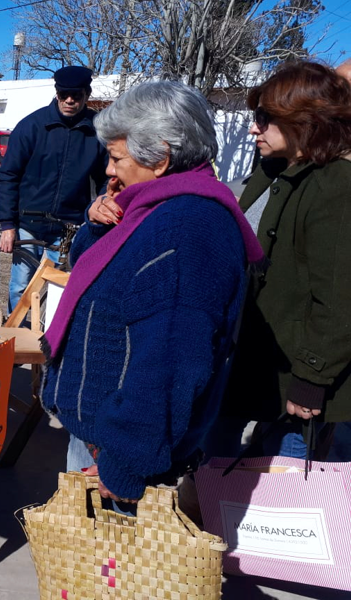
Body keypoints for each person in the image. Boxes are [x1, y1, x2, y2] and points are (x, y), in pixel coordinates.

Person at [41, 81, 265, 508]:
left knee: (110, 569)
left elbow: (170, 360)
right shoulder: (152, 206)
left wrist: (126, 463)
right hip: (101, 438)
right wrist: (99, 224)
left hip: (119, 456)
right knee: (86, 569)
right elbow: (94, 269)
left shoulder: (187, 229)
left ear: (160, 157)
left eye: (116, 157)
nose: (108, 169)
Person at [219, 61, 351, 459]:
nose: (252, 128)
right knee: (210, 477)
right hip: (246, 360)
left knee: (279, 503)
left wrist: (312, 377)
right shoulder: (272, 169)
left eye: (264, 118)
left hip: (294, 382)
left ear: (304, 121)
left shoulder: (335, 187)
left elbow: (340, 298)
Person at [0, 65, 109, 311]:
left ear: (86, 95)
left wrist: (98, 211)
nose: (70, 101)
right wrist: (7, 225)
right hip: (28, 225)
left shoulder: (97, 131)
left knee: (61, 289)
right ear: (56, 93)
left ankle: (50, 342)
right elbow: (8, 175)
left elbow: (107, 179)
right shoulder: (32, 126)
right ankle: (17, 338)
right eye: (64, 94)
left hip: (68, 228)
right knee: (21, 287)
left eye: (76, 95)